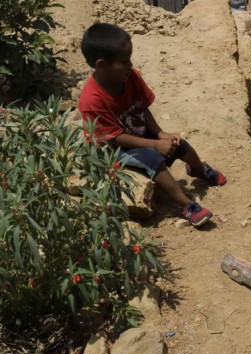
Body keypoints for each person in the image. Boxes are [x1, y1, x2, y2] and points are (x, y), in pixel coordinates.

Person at [78, 23, 226, 227]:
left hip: (140, 133)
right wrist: (154, 145)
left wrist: (160, 133)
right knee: (153, 160)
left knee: (179, 144)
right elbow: (114, 138)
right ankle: (186, 204)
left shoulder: (130, 77)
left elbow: (142, 107)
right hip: (117, 149)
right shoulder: (91, 100)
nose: (130, 65)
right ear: (101, 65)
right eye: (124, 61)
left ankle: (198, 169)